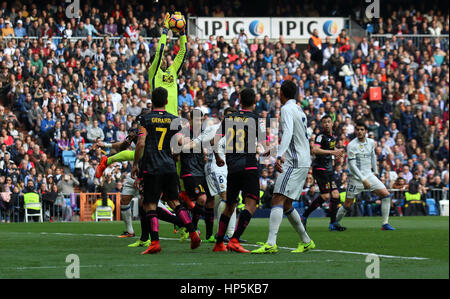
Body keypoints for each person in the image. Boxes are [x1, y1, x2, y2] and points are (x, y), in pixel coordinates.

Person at [131, 87, 201, 254]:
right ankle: (192, 232)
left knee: (150, 204)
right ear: (167, 102)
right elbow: (179, 142)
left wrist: (135, 163)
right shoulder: (174, 120)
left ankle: (155, 242)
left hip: (151, 167)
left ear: (152, 101)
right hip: (169, 166)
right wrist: (175, 156)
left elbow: (140, 143)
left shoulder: (145, 119)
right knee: (174, 202)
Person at [252, 80, 315, 254]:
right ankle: (306, 240)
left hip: (295, 161)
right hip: (302, 158)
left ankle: (271, 243)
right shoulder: (299, 109)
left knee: (277, 198)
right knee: (286, 203)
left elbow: (287, 133)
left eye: (279, 91)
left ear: (282, 93)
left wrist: (279, 155)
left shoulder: (287, 109)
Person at [211, 87, 265, 253]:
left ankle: (219, 243)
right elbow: (264, 143)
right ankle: (234, 239)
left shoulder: (229, 117)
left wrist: (219, 158)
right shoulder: (255, 118)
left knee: (230, 205)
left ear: (239, 101)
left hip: (232, 166)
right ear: (255, 102)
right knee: (252, 203)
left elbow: (214, 141)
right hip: (248, 165)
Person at [334, 120, 396, 230]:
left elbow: (372, 155)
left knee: (385, 194)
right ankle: (335, 223)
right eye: (357, 129)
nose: (359, 131)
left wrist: (376, 172)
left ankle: (385, 224)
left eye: (362, 129)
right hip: (356, 178)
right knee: (348, 204)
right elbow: (352, 165)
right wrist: (363, 179)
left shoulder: (371, 142)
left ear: (366, 131)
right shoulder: (352, 145)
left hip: (369, 175)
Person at [301, 115, 346, 231]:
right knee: (326, 196)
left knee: (336, 195)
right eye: (324, 122)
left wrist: (337, 151)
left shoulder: (333, 137)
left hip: (329, 170)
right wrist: (332, 151)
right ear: (322, 125)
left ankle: (333, 223)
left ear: (332, 124)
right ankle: (304, 216)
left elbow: (331, 149)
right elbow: (315, 150)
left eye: (328, 122)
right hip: (320, 169)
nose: (326, 124)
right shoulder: (320, 136)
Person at [148, 12, 187, 116]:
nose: (164, 60)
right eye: (161, 59)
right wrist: (165, 30)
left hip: (173, 117)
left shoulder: (173, 70)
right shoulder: (154, 72)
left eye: (164, 59)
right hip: (158, 116)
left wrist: (182, 32)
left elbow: (183, 51)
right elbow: (160, 51)